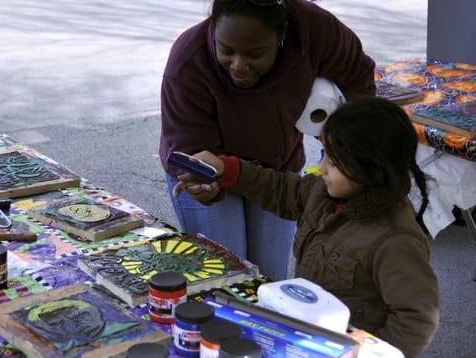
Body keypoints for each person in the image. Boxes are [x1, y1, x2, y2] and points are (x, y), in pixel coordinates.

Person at [173, 97, 440, 358]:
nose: (321, 167)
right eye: (325, 156)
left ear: (371, 171)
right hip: (304, 336)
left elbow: (416, 319)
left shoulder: (395, 240)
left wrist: (368, 351)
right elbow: (279, 188)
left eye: (333, 163)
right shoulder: (323, 192)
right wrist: (226, 169)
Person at [159, 0, 375, 281]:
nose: (239, 65)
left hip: (277, 169)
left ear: (282, 36)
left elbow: (358, 77)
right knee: (228, 281)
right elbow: (192, 151)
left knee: (268, 281)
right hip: (213, 169)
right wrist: (203, 185)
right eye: (227, 51)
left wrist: (346, 150)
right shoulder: (187, 61)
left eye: (255, 54)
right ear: (214, 30)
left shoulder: (313, 28)